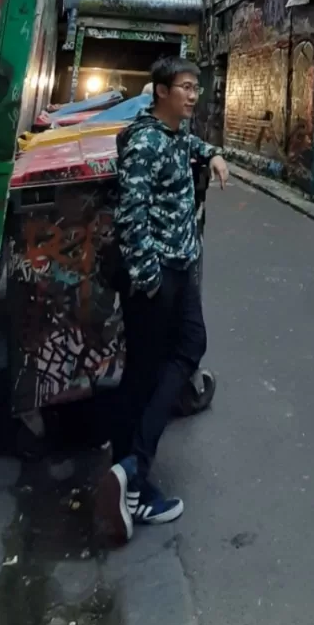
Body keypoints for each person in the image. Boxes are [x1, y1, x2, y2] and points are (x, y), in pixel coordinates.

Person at [95, 57, 228, 543]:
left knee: (187, 348)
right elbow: (129, 214)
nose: (193, 96)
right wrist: (150, 279)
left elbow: (190, 143)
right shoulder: (146, 142)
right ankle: (133, 479)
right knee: (146, 374)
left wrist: (211, 152)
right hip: (158, 277)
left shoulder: (173, 136)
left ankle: (129, 465)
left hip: (180, 268)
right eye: (185, 88)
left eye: (196, 87)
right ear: (160, 91)